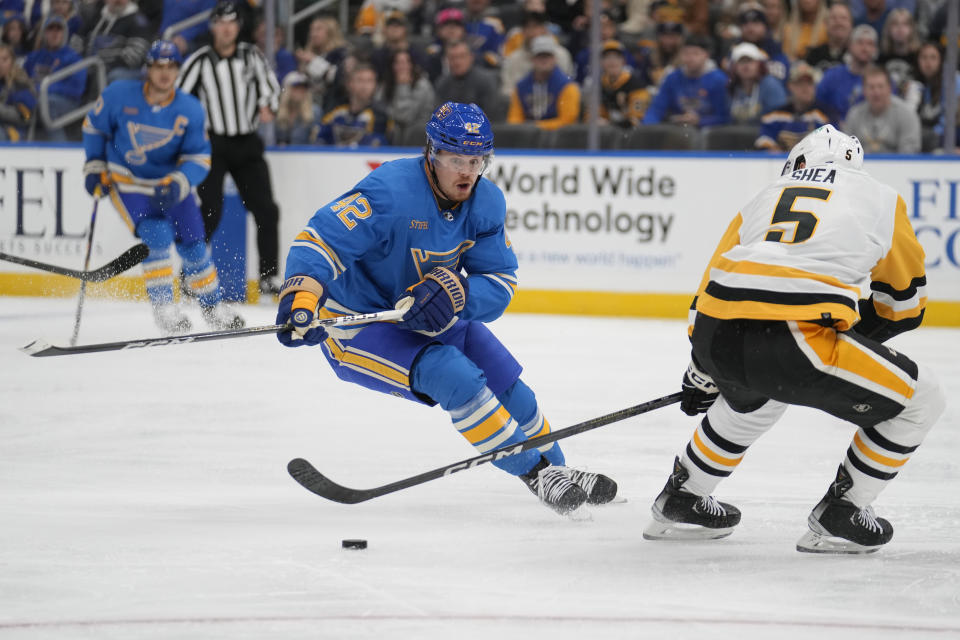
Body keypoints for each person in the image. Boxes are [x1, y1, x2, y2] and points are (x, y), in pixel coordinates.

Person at [274, 102, 618, 515]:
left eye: (477, 160)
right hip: (362, 324)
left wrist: (458, 293)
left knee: (507, 382)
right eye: (457, 159)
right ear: (432, 153)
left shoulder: (487, 203)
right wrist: (302, 296)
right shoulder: (389, 190)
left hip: (432, 316)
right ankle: (536, 474)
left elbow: (501, 281)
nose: (468, 172)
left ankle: (559, 469)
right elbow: (321, 239)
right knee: (453, 375)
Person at [642, 124, 944, 554]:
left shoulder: (763, 195)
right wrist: (851, 336)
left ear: (798, 162)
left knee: (757, 394)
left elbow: (708, 292)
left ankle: (684, 495)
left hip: (717, 332)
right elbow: (905, 305)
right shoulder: (880, 196)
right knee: (923, 399)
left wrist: (702, 369)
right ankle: (844, 511)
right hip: (796, 339)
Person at [82, 40, 244, 333]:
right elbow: (94, 126)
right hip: (128, 181)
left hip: (169, 184)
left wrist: (181, 181)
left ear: (178, 70)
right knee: (157, 235)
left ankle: (212, 306)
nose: (165, 73)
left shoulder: (191, 109)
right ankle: (164, 309)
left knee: (194, 245)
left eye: (171, 67)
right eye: (159, 66)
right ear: (148, 68)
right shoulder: (118, 95)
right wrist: (95, 166)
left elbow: (198, 156)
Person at [177, 0, 284, 296]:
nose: (226, 28)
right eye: (221, 23)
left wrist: (269, 107)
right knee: (209, 211)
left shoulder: (252, 57)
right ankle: (190, 273)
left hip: (247, 142)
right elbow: (179, 101)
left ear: (238, 26)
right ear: (213, 27)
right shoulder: (199, 61)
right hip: (213, 145)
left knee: (266, 210)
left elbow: (272, 89)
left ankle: (268, 276)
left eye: (231, 22)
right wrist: (192, 129)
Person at [642, 33, 729, 127]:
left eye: (695, 53)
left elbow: (724, 117)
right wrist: (648, 127)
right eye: (686, 53)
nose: (690, 58)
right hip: (677, 131)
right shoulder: (672, 78)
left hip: (709, 133)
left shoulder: (718, 80)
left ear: (706, 55)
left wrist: (700, 121)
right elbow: (656, 109)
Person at [506, 35, 581, 130]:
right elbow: (514, 119)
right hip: (527, 139)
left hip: (559, 139)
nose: (544, 60)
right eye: (539, 56)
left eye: (547, 56)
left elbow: (567, 121)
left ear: (554, 58)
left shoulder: (567, 86)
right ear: (532, 59)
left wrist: (537, 126)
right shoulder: (520, 87)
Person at [755, 61, 831, 151]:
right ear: (790, 86)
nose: (805, 88)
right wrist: (772, 149)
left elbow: (832, 145)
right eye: (800, 83)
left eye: (809, 83)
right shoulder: (774, 116)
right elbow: (764, 140)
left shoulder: (826, 115)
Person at [844, 65, 921, 153]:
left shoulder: (906, 114)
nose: (876, 92)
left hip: (897, 165)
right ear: (864, 90)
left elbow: (910, 153)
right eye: (871, 87)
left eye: (880, 86)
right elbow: (846, 149)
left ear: (890, 88)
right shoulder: (854, 114)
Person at [316, 62, 391, 147]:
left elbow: (378, 146)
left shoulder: (381, 116)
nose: (365, 86)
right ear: (349, 84)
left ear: (375, 85)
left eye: (369, 81)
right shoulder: (336, 112)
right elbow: (319, 139)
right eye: (360, 80)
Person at [815, 24, 878, 123]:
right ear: (850, 45)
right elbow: (817, 106)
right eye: (860, 42)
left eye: (870, 44)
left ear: (875, 49)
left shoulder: (883, 81)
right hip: (835, 134)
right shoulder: (831, 77)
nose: (865, 48)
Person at [78, 0, 151, 83]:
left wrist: (102, 65)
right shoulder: (96, 15)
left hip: (118, 70)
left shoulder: (138, 21)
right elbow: (79, 39)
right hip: (89, 64)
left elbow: (135, 56)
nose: (118, 1)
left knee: (115, 76)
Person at [434, 39, 504, 122]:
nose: (457, 62)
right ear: (447, 61)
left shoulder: (486, 80)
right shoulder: (442, 83)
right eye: (452, 58)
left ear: (471, 57)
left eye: (462, 56)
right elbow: (439, 117)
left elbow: (492, 116)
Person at [726, 41, 787, 126]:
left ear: (759, 64)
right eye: (741, 61)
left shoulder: (771, 85)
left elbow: (780, 119)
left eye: (750, 61)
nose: (746, 66)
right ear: (734, 66)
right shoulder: (732, 88)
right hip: (737, 135)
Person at [804, 2, 853, 72]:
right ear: (825, 24)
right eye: (834, 18)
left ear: (851, 25)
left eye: (843, 18)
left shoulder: (857, 57)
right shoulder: (814, 55)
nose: (838, 22)